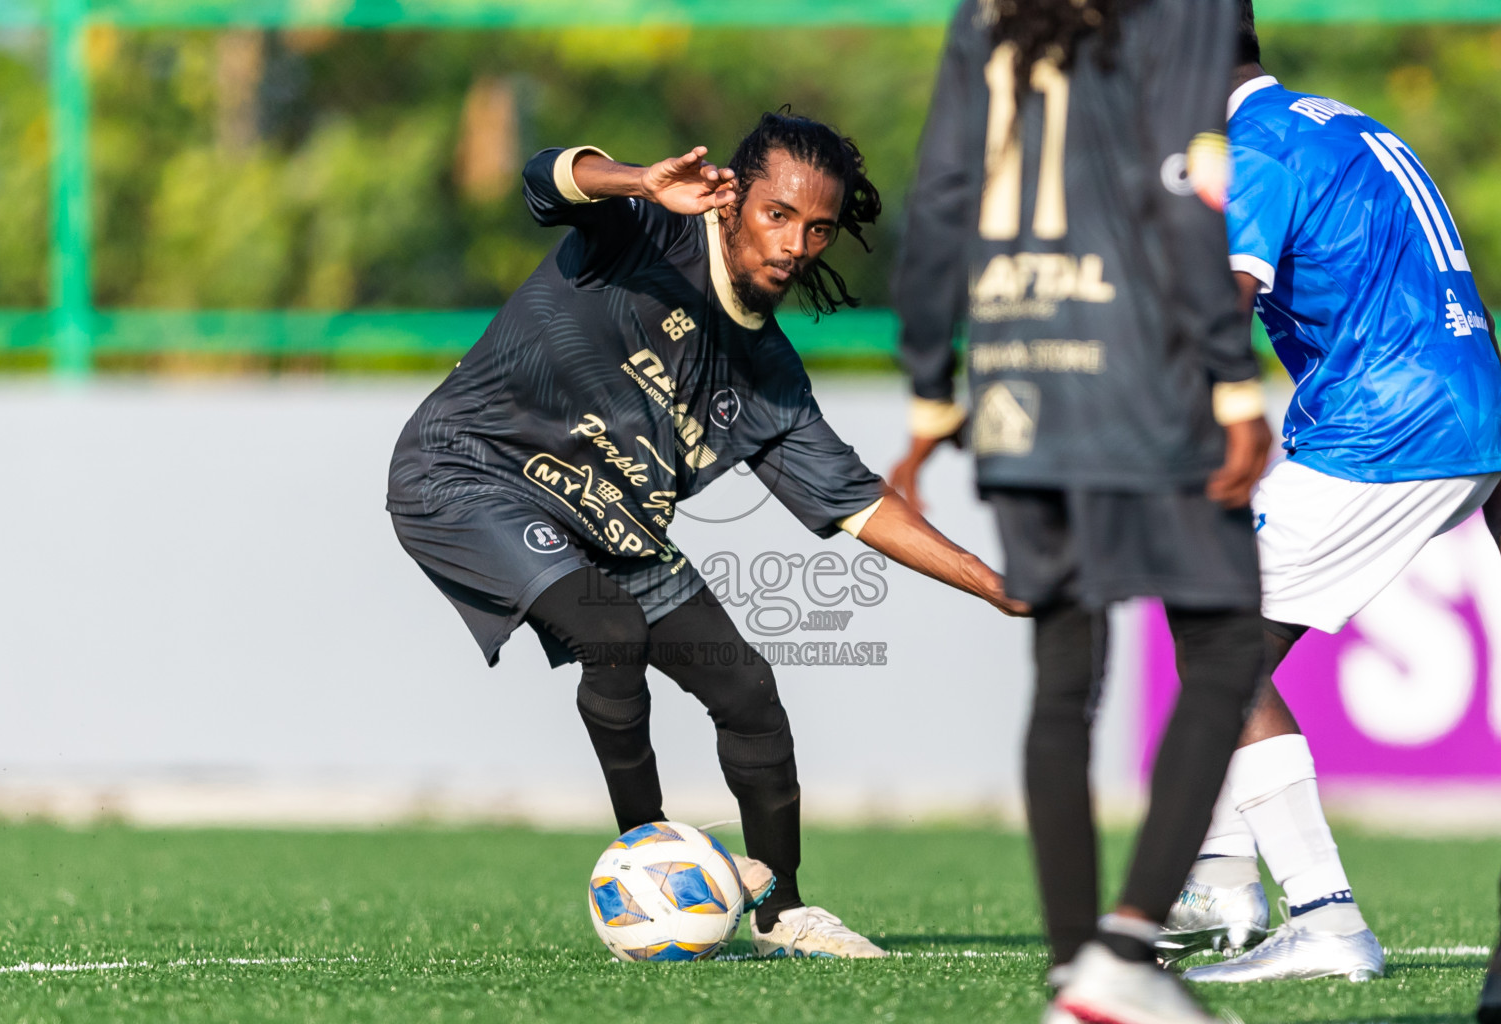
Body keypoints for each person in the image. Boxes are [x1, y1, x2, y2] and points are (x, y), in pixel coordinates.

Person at [387, 111, 1025, 960]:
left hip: (612, 524)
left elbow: (858, 503)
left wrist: (989, 581)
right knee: (607, 628)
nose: (797, 243)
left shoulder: (770, 379)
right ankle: (649, 872)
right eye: (778, 214)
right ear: (731, 200)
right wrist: (636, 178)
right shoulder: (649, 230)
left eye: (819, 228)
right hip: (469, 472)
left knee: (749, 693)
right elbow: (547, 176)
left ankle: (782, 913)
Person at [891, 0, 1270, 1019]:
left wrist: (931, 387)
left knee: (1064, 673)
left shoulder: (990, 12)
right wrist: (1233, 381)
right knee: (1230, 646)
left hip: (1017, 377)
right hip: (1138, 378)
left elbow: (938, 198)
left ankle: (1075, 976)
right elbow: (1185, 188)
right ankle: (1128, 945)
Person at [1160, 1, 1501, 984]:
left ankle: (1322, 917)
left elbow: (1220, 320)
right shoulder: (1350, 123)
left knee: (1216, 637)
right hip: (1461, 416)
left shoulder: (1250, 147)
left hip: (1385, 428)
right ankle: (1220, 881)